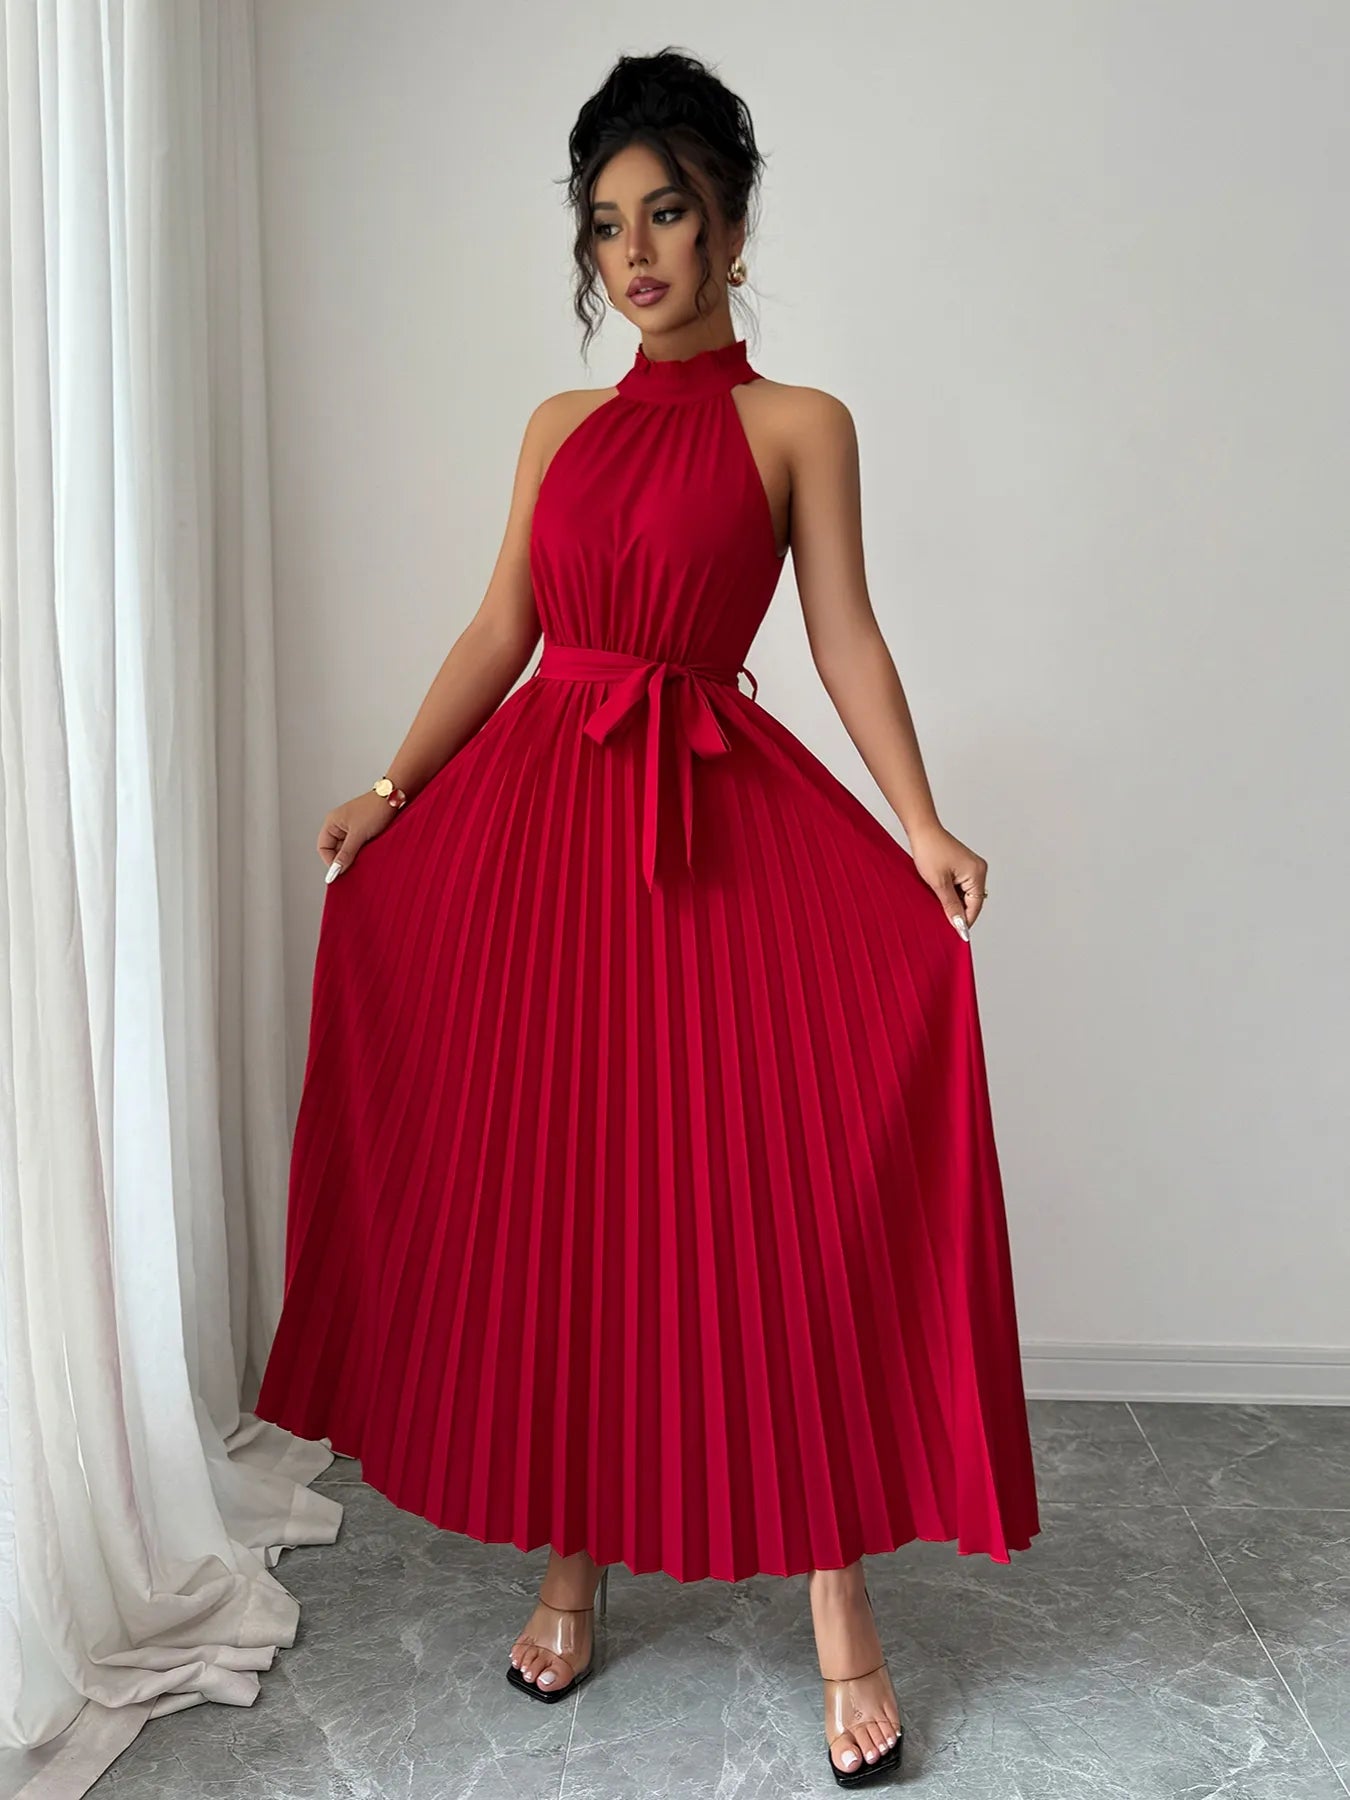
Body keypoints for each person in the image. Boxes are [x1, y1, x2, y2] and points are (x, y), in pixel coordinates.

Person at [254, 45, 1040, 1787]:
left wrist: (915, 823)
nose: (636, 251)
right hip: (543, 831)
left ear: (733, 225)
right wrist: (390, 790)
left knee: (759, 1188)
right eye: (606, 224)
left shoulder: (797, 424)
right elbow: (497, 633)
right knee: (569, 1193)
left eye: (668, 211)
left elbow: (841, 635)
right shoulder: (557, 428)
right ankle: (567, 1562)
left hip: (711, 823)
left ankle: (839, 1605)